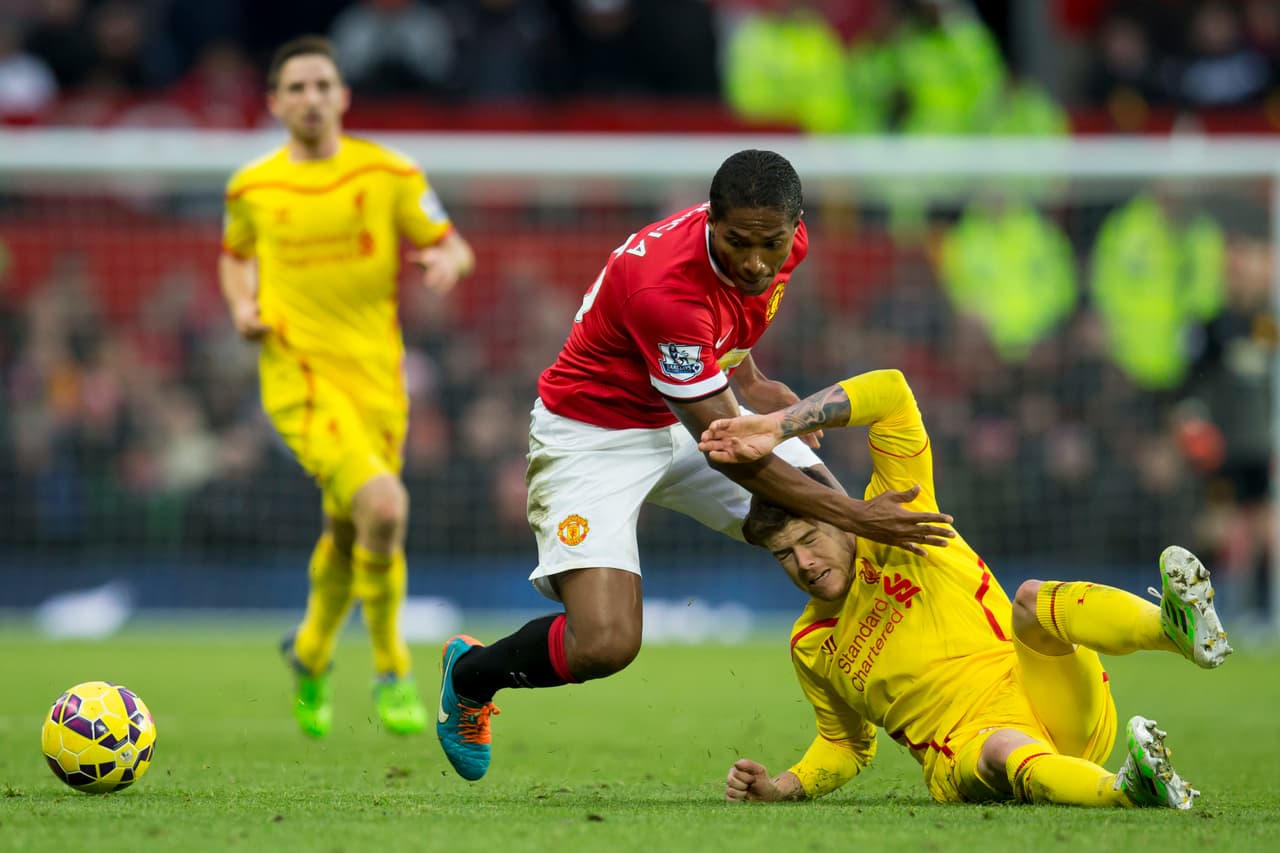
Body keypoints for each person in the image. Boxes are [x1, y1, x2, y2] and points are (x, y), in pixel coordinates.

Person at [435, 150, 955, 782]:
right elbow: (735, 455)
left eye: (772, 243)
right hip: (594, 436)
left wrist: (752, 378)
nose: (757, 261)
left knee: (836, 546)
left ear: (795, 225)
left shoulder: (780, 244)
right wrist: (854, 512)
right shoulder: (665, 291)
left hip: (690, 406)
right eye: (738, 242)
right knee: (606, 643)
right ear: (711, 221)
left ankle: (874, 725)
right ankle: (469, 676)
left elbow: (732, 323)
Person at [695, 369, 1232, 808]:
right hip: (967, 750)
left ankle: (1172, 629)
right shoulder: (812, 643)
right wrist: (781, 787)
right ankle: (1122, 790)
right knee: (1002, 748)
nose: (803, 563)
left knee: (1030, 600)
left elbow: (892, 392)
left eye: (810, 539)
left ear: (838, 518)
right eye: (784, 554)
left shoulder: (901, 520)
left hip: (1050, 697)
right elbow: (844, 746)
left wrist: (778, 426)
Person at [218, 35, 475, 739]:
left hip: (378, 382)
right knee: (386, 506)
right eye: (295, 88)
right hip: (299, 378)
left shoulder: (389, 173)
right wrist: (243, 306)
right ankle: (393, 668)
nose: (310, 99)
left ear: (343, 96)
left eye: (322, 85)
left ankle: (308, 652)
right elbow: (235, 259)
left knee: (348, 526)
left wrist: (448, 262)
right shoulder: (252, 188)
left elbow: (451, 241)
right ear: (273, 102)